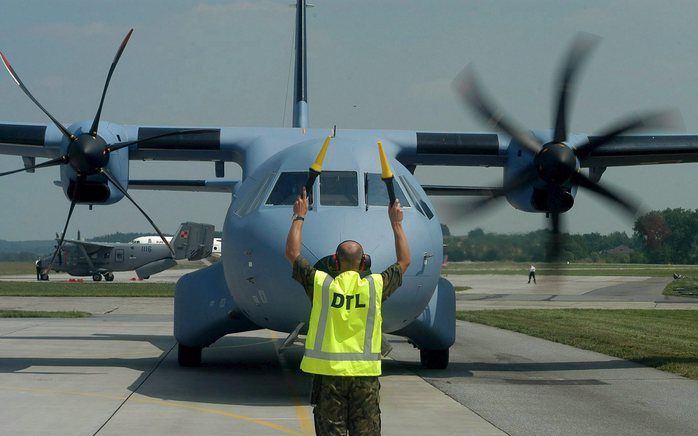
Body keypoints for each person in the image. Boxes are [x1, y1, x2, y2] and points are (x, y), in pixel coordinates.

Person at [285, 188, 410, 436]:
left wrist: (299, 217)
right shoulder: (375, 286)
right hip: (365, 377)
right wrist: (396, 223)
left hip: (328, 376)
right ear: (364, 262)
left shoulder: (322, 285)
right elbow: (404, 261)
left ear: (334, 260)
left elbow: (292, 254)